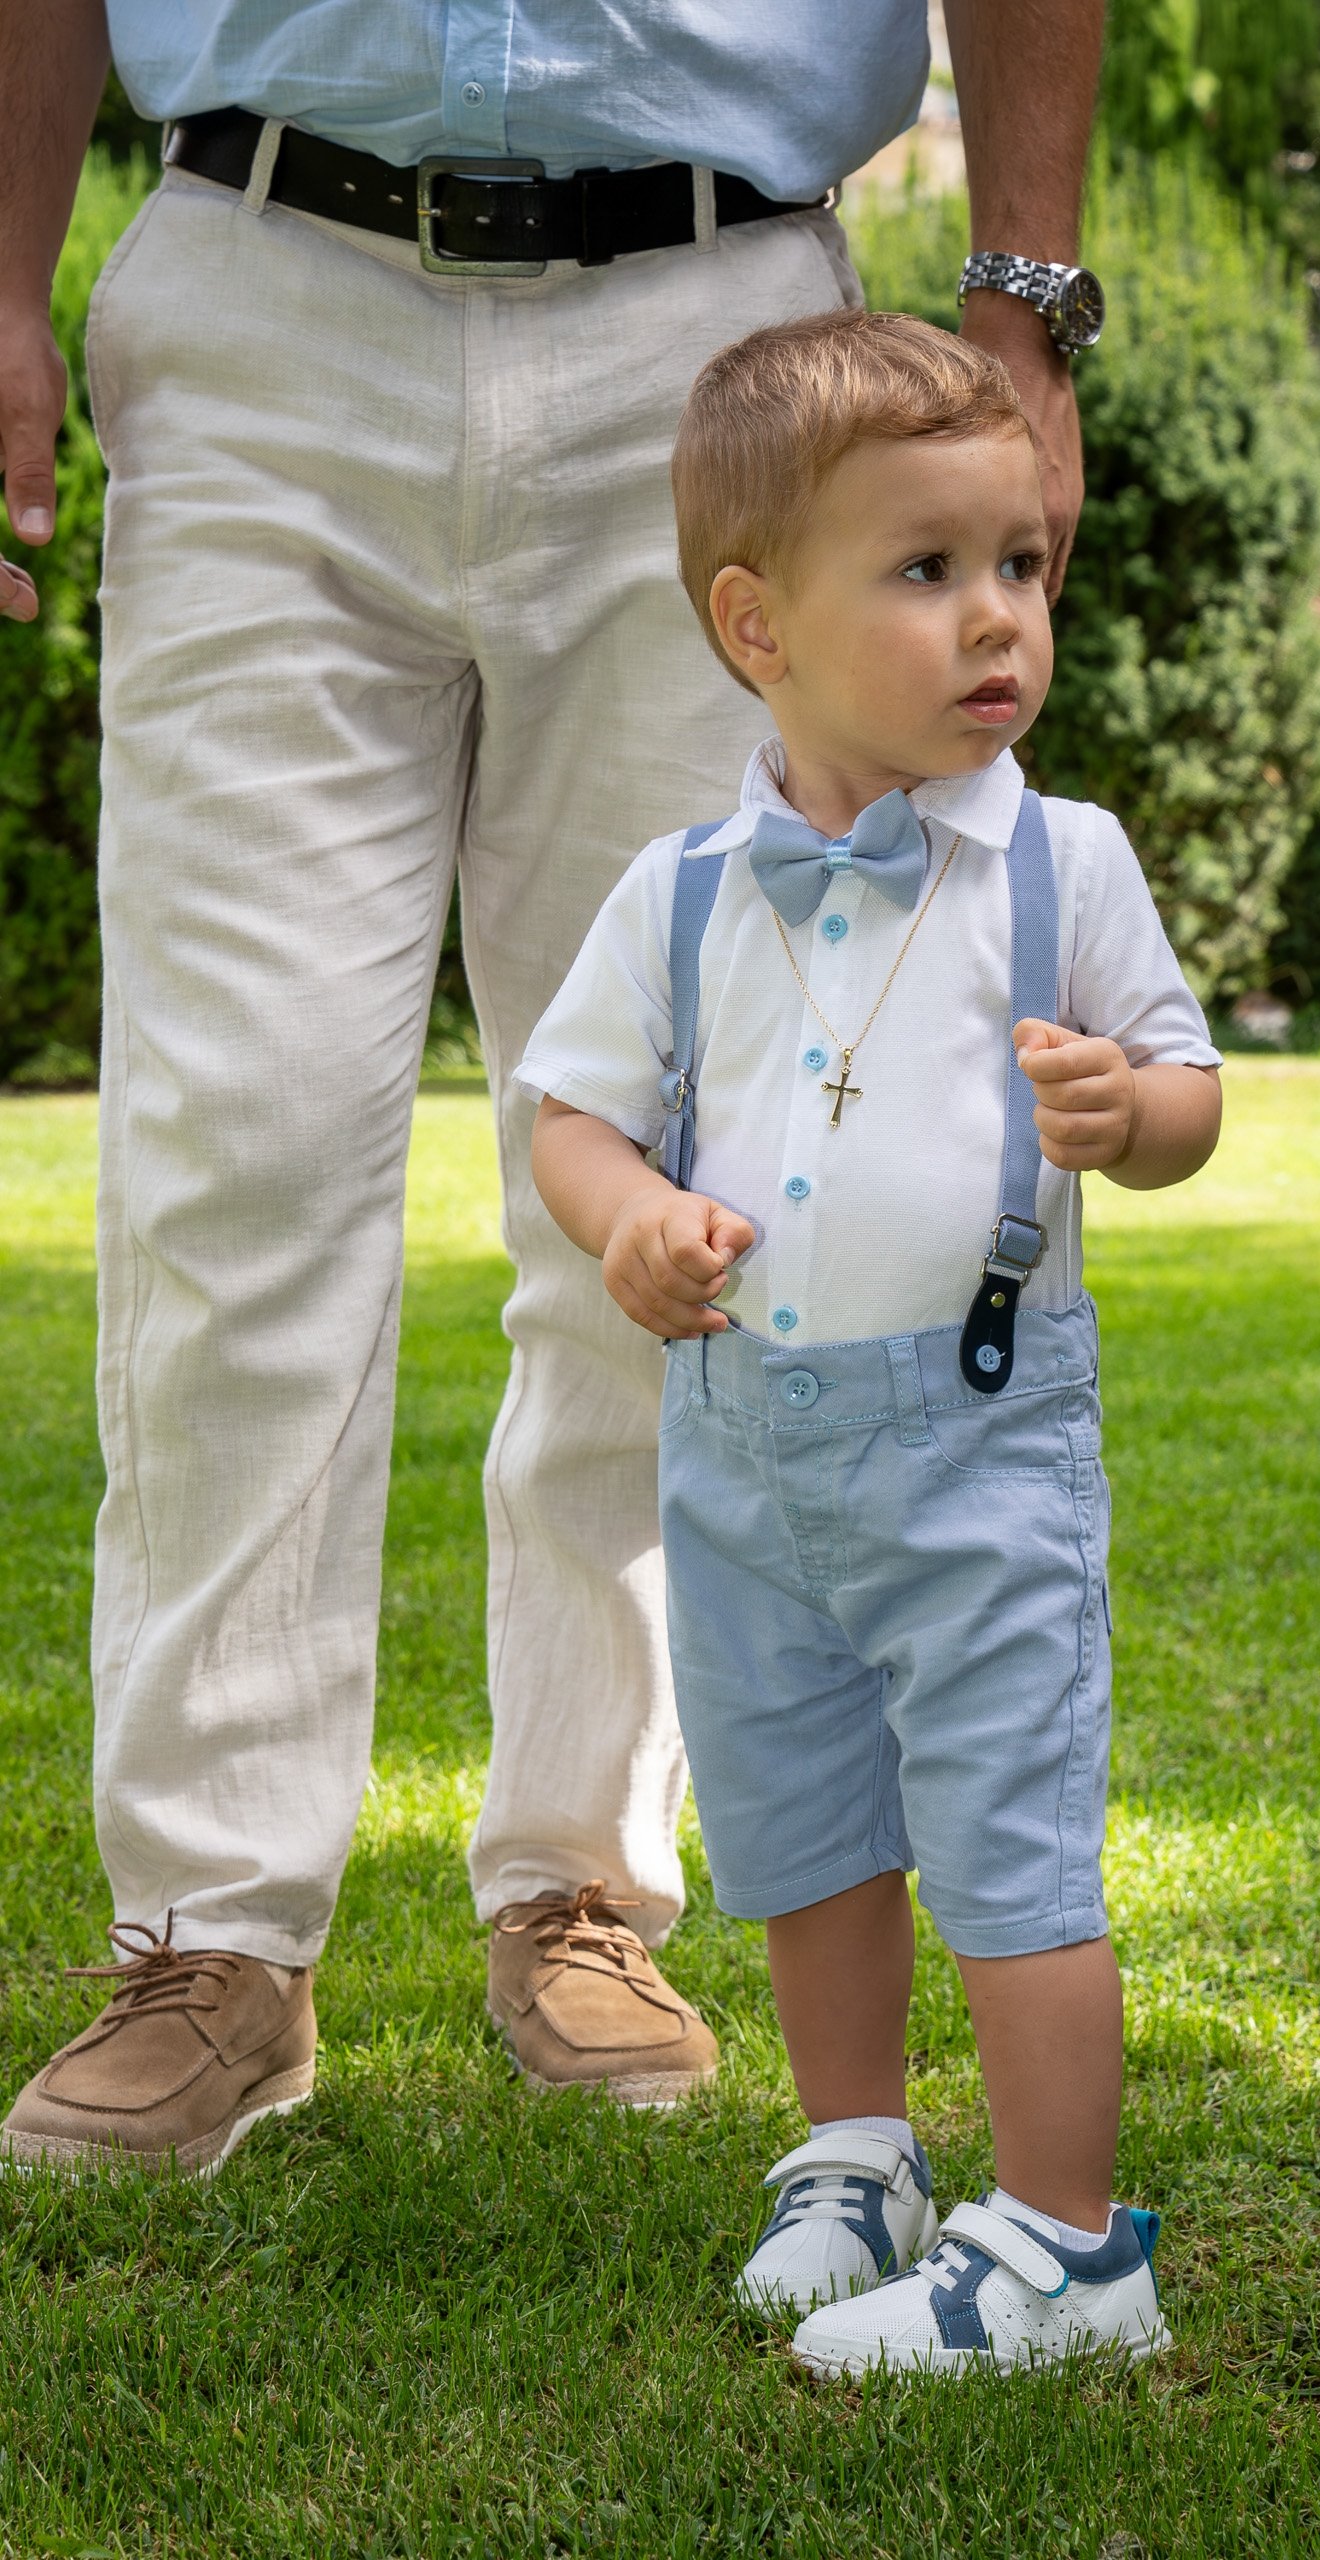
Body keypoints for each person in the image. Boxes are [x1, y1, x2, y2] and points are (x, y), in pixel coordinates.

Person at [0, 2, 1113, 2174]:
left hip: (722, 343)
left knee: (676, 1165)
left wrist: (1023, 290)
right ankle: (211, 1930)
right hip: (258, 288)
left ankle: (587, 1872)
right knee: (228, 1156)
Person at [519, 310, 1223, 2375]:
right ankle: (857, 2151)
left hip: (976, 1438)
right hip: (741, 1452)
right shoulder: (678, 895)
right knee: (800, 1812)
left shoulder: (1058, 862)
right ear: (758, 622)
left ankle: (1070, 2249)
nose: (996, 615)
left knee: (1005, 1826)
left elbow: (1187, 1091)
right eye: (924, 572)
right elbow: (567, 1112)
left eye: (1019, 564)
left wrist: (1128, 1111)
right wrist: (633, 1216)